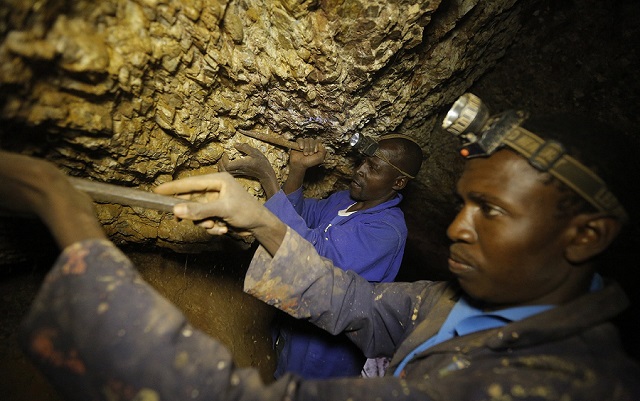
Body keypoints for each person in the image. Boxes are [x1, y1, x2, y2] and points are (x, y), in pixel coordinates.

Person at [4, 94, 640, 400]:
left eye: (492, 211)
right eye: (465, 203)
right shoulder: (451, 300)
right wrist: (261, 216)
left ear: (586, 236)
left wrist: (73, 227)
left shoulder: (552, 387)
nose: (457, 228)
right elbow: (352, 300)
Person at [219, 135, 423, 379]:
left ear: (398, 182)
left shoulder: (386, 231)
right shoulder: (344, 200)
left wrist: (268, 179)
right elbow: (298, 216)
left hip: (325, 352)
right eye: (363, 162)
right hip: (294, 325)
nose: (360, 170)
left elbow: (310, 254)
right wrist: (297, 169)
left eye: (374, 168)